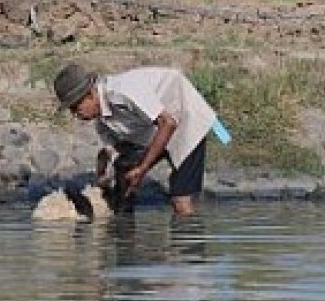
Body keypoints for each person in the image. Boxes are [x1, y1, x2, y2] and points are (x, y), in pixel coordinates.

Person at [53, 63, 219, 216]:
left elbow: (168, 123)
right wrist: (102, 174)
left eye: (76, 107)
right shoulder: (102, 121)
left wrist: (143, 168)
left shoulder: (123, 92)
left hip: (184, 119)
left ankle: (189, 235)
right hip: (154, 130)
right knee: (124, 170)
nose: (75, 114)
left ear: (90, 94)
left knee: (180, 200)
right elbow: (112, 150)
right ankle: (125, 225)